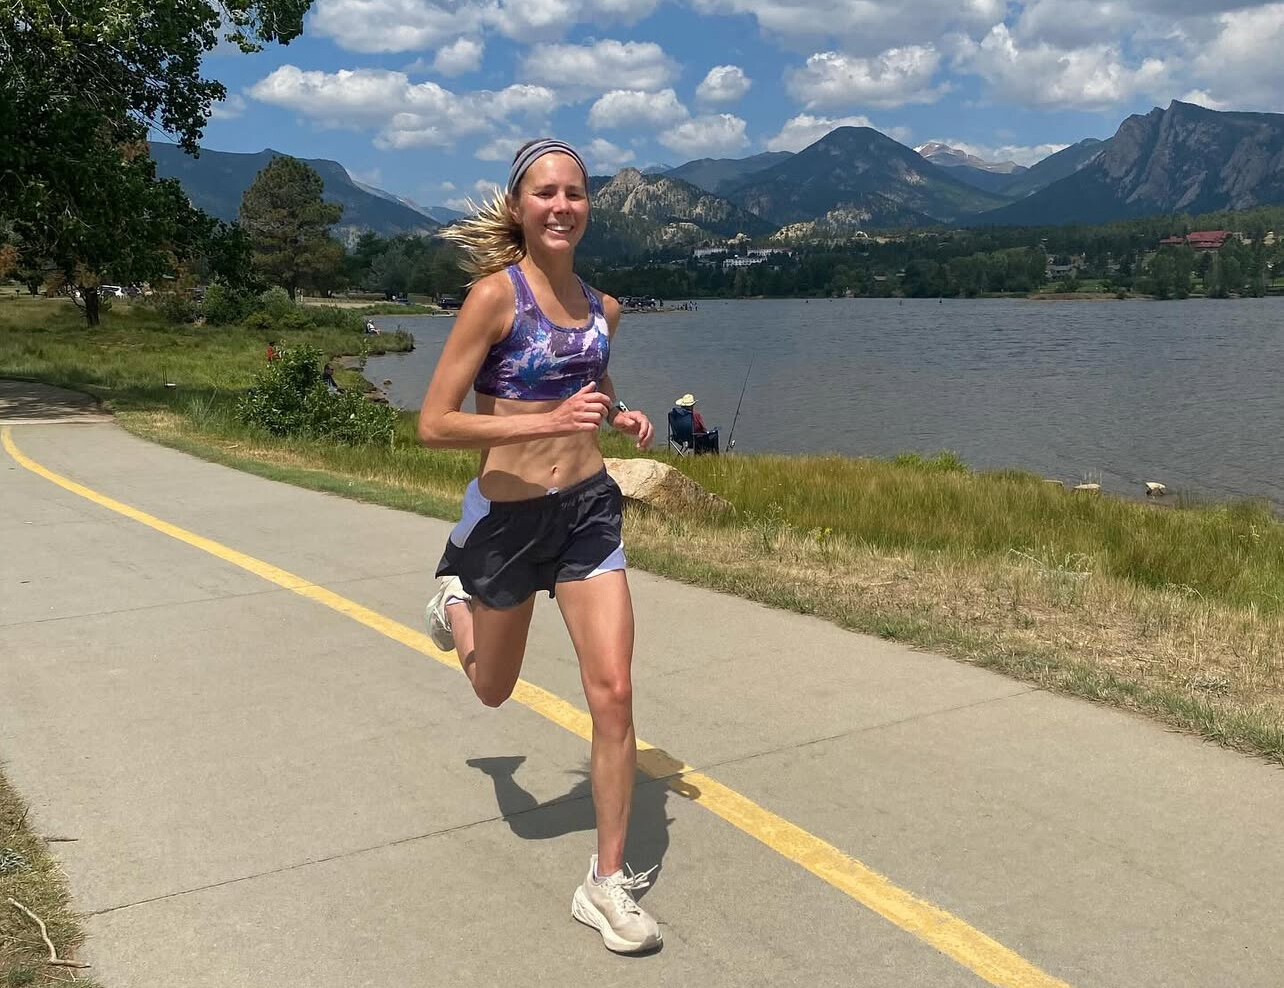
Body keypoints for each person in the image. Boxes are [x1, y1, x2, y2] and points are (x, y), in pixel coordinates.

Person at [416, 138, 662, 954]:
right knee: (493, 690)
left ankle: (606, 882)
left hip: (587, 513)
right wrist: (541, 422)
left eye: (575, 193)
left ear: (589, 207)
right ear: (520, 207)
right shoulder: (497, 298)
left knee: (614, 691)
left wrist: (617, 414)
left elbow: (590, 379)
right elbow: (434, 424)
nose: (562, 206)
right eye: (546, 193)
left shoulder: (604, 308)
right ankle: (455, 604)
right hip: (509, 522)